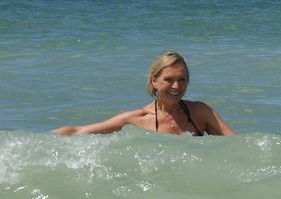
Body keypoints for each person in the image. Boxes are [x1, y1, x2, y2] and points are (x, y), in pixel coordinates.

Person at [51, 51, 236, 136]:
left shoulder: (201, 112)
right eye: (169, 79)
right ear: (154, 81)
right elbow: (79, 131)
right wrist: (38, 142)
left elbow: (236, 144)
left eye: (182, 79)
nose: (176, 86)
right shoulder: (136, 119)